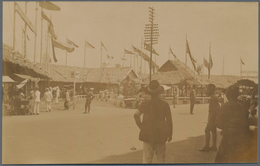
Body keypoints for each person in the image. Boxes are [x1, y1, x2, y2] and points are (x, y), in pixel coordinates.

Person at [134, 80, 173, 163]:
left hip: (148, 134)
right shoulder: (164, 104)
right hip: (161, 134)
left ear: (149, 93)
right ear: (159, 92)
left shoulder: (145, 104)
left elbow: (136, 115)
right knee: (161, 159)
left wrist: (142, 127)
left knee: (147, 160)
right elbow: (169, 120)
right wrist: (170, 133)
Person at [214, 85, 250, 163]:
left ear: (227, 95)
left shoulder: (224, 107)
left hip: (227, 138)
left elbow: (217, 123)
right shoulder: (242, 107)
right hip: (240, 139)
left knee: (222, 160)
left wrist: (226, 126)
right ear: (237, 95)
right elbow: (246, 123)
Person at [199, 84, 220, 152]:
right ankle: (214, 146)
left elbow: (215, 109)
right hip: (213, 116)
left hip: (212, 117)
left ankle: (207, 146)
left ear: (211, 90)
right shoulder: (214, 97)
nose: (206, 91)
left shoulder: (213, 98)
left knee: (207, 130)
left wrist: (211, 118)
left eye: (208, 89)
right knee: (213, 130)